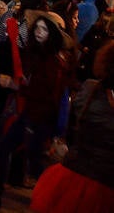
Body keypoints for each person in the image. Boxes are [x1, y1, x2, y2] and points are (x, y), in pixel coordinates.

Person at [0, 13, 74, 208]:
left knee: (33, 163)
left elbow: (45, 93)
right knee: (9, 149)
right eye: (38, 28)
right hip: (32, 116)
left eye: (44, 29)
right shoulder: (43, 57)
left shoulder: (52, 62)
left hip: (38, 118)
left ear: (52, 34)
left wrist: (16, 86)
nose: (39, 32)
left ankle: (56, 202)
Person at [31, 40, 114, 212]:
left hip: (73, 174)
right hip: (102, 185)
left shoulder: (90, 89)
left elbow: (72, 129)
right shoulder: (92, 91)